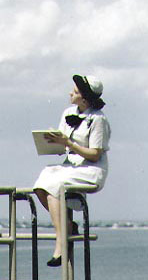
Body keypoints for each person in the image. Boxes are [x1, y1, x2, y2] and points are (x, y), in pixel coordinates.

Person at [34, 74, 110, 267]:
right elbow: (64, 146)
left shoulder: (98, 120)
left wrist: (67, 142)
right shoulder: (68, 112)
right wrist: (53, 142)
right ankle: (67, 226)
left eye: (75, 91)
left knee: (55, 184)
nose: (70, 93)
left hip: (91, 169)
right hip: (71, 166)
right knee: (42, 180)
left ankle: (61, 243)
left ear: (84, 99)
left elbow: (94, 153)